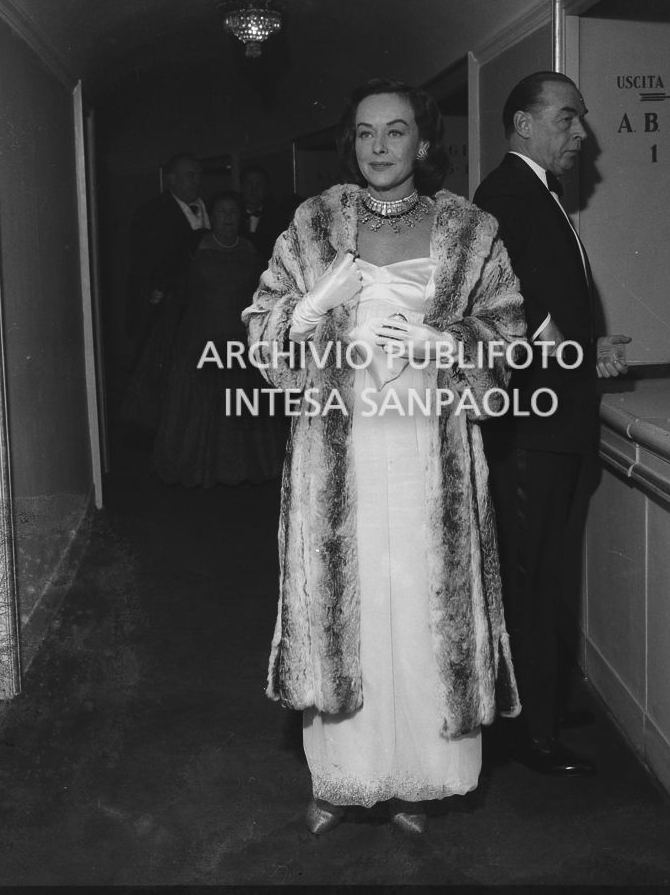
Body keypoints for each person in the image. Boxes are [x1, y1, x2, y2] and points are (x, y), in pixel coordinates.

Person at [243, 78, 524, 836]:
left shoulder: (470, 229)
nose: (379, 147)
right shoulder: (313, 222)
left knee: (423, 606)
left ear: (424, 143)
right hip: (340, 450)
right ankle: (341, 778)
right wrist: (305, 309)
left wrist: (446, 341)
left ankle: (417, 781)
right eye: (366, 133)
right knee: (346, 609)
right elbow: (261, 332)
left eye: (396, 132)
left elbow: (509, 336)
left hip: (432, 453)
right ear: (351, 143)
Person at [473, 71, 630, 776]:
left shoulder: (535, 193)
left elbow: (545, 304)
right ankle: (531, 732)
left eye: (581, 119)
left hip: (554, 419)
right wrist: (570, 349)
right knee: (531, 577)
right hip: (534, 427)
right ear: (523, 124)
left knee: (540, 573)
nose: (581, 133)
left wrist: (585, 344)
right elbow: (510, 309)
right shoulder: (505, 192)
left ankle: (541, 701)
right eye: (568, 118)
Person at [151, 191, 284, 487]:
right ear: (212, 216)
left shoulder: (253, 249)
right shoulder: (195, 246)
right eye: (222, 211)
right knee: (196, 405)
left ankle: (241, 467)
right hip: (200, 337)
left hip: (239, 339)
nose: (227, 217)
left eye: (233, 212)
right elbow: (177, 287)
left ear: (240, 217)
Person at [120, 153, 210, 438]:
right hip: (167, 306)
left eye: (197, 174)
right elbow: (144, 263)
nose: (194, 180)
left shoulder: (210, 208)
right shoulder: (152, 212)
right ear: (170, 179)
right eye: (187, 174)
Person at [238, 164, 297, 262]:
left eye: (259, 185)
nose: (254, 189)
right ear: (241, 187)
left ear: (266, 189)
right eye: (249, 184)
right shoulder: (231, 215)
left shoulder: (278, 219)